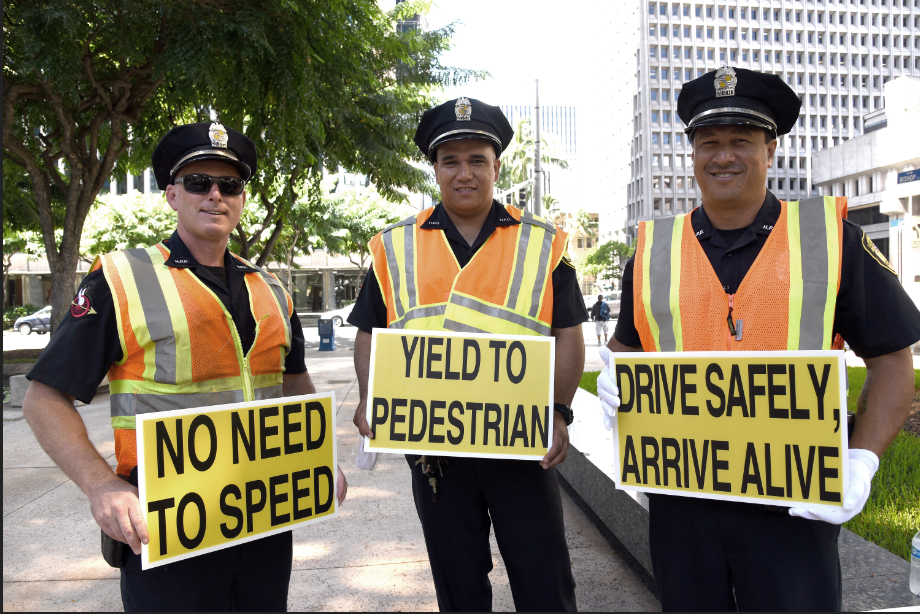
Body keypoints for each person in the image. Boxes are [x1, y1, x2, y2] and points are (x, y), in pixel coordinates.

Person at [595, 66, 920, 611]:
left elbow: (892, 360)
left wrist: (861, 461)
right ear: (692, 153)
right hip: (682, 502)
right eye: (709, 142)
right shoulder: (651, 253)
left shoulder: (829, 240)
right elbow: (628, 347)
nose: (723, 156)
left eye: (741, 140)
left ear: (770, 150)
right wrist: (615, 375)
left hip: (793, 505)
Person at [22, 121, 347, 611]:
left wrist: (317, 456)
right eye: (199, 182)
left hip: (263, 516)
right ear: (172, 195)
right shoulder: (122, 278)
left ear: (241, 198)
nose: (215, 195)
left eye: (229, 185)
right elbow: (44, 398)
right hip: (167, 524)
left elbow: (293, 379)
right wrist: (102, 485)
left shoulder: (272, 289)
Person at [348, 97, 586, 611]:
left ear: (496, 168)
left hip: (521, 446)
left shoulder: (544, 243)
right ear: (434, 169)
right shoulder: (393, 246)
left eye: (477, 160)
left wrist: (558, 411)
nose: (464, 173)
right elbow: (369, 331)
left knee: (546, 584)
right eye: (450, 160)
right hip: (435, 451)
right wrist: (371, 397)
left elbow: (568, 333)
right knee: (458, 590)